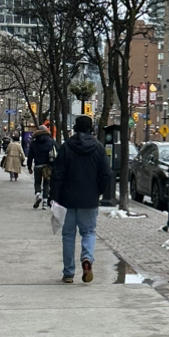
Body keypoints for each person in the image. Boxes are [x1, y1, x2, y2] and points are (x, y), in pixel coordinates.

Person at [51, 115, 112, 284]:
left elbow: (57, 174)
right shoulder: (98, 148)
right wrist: (98, 191)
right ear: (90, 128)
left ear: (75, 128)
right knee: (88, 232)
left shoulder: (66, 147)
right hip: (89, 199)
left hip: (67, 199)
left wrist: (55, 196)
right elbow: (106, 174)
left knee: (68, 235)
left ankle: (68, 273)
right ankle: (87, 258)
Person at [27, 123, 57, 209]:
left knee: (37, 182)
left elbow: (30, 156)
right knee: (46, 183)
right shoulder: (51, 141)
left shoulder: (34, 143)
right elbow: (57, 152)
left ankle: (38, 194)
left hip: (37, 165)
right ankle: (45, 202)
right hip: (48, 166)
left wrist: (29, 166)